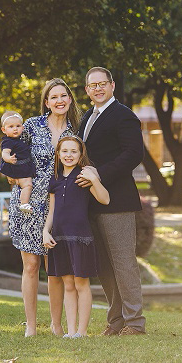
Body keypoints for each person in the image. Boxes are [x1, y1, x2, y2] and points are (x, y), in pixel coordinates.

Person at [7, 77, 82, 337]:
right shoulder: (30, 125)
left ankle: (57, 324)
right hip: (27, 202)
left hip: (58, 204)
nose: (59, 100)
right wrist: (13, 176)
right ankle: (30, 325)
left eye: (63, 96)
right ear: (47, 102)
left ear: (69, 99)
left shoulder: (76, 132)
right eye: (54, 97)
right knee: (30, 266)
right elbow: (11, 157)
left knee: (55, 269)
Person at [77, 66, 146, 335]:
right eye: (92, 85)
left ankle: (135, 323)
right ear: (87, 90)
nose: (98, 89)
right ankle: (116, 321)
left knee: (124, 263)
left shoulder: (123, 116)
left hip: (118, 201)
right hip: (92, 203)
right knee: (104, 266)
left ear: (112, 85)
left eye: (102, 84)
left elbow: (133, 154)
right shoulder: (87, 118)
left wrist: (98, 175)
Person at [42, 134, 110, 339]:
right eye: (65, 151)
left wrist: (94, 179)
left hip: (80, 237)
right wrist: (46, 231)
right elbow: (52, 211)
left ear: (81, 155)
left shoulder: (84, 176)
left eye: (74, 151)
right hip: (59, 237)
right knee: (68, 285)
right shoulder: (54, 179)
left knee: (81, 284)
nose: (69, 155)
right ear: (58, 154)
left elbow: (105, 199)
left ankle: (81, 331)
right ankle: (71, 331)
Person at [0, 110, 35, 213]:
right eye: (11, 127)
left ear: (22, 128)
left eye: (18, 126)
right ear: (4, 129)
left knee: (27, 185)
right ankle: (24, 203)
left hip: (22, 167)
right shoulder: (8, 141)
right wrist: (8, 159)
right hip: (19, 168)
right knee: (27, 185)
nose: (15, 129)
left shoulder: (19, 140)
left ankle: (24, 203)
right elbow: (5, 153)